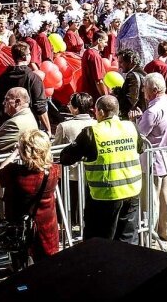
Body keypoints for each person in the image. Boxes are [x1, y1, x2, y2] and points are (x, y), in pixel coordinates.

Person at [60, 95, 144, 243]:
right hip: (132, 191)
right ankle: (128, 265)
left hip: (105, 195)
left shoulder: (92, 132)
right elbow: (141, 148)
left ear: (101, 112)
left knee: (100, 242)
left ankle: (102, 267)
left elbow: (67, 157)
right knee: (128, 239)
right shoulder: (131, 127)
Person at [0, 129, 61, 267]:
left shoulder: (16, 174)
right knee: (47, 263)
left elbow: (1, 170)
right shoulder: (54, 170)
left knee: (23, 265)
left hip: (22, 226)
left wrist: (15, 152)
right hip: (47, 224)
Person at [133, 73, 167, 240]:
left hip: (153, 163)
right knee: (165, 199)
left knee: (150, 201)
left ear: (153, 90)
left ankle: (148, 235)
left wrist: (135, 121)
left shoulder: (152, 111)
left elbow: (139, 135)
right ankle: (165, 232)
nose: (143, 91)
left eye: (144, 88)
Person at [53, 93, 95, 224]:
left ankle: (67, 233)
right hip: (91, 173)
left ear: (76, 108)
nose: (68, 106)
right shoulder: (97, 123)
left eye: (70, 104)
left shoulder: (64, 126)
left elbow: (56, 150)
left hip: (70, 174)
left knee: (68, 210)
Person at [0, 42, 50, 134]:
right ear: (25, 57)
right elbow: (40, 106)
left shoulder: (3, 77)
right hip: (28, 127)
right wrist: (48, 130)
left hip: (6, 126)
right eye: (29, 53)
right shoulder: (33, 78)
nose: (30, 55)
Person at [0, 88, 40, 155]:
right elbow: (1, 133)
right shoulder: (29, 115)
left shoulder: (14, 123)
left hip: (5, 163)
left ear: (17, 102)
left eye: (7, 99)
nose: (3, 103)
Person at [116, 49, 147, 120]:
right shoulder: (143, 73)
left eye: (121, 62)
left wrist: (118, 96)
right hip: (141, 114)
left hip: (134, 117)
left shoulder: (133, 76)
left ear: (130, 61)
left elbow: (131, 100)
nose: (119, 66)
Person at [81, 31, 109, 101]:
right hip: (94, 96)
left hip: (87, 94)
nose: (106, 45)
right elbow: (98, 81)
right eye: (105, 42)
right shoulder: (95, 56)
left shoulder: (87, 52)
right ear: (99, 40)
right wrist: (104, 97)